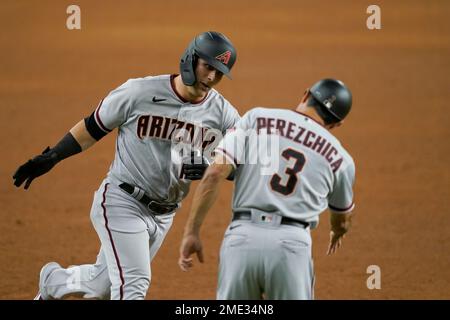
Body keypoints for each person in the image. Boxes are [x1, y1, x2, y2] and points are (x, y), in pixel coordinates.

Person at [13, 31, 240, 300]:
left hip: (164, 215)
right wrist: (53, 156)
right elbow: (93, 127)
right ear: (190, 59)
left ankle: (53, 282)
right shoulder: (139, 92)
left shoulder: (223, 114)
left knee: (103, 286)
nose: (212, 77)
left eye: (219, 72)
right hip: (122, 200)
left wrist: (210, 169)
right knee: (134, 284)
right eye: (208, 67)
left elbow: (243, 165)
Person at [178, 79, 355, 300]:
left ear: (305, 95)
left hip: (242, 239)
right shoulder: (341, 158)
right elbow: (342, 220)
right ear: (337, 124)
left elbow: (214, 173)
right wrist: (337, 231)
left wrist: (192, 231)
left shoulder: (256, 118)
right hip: (291, 247)